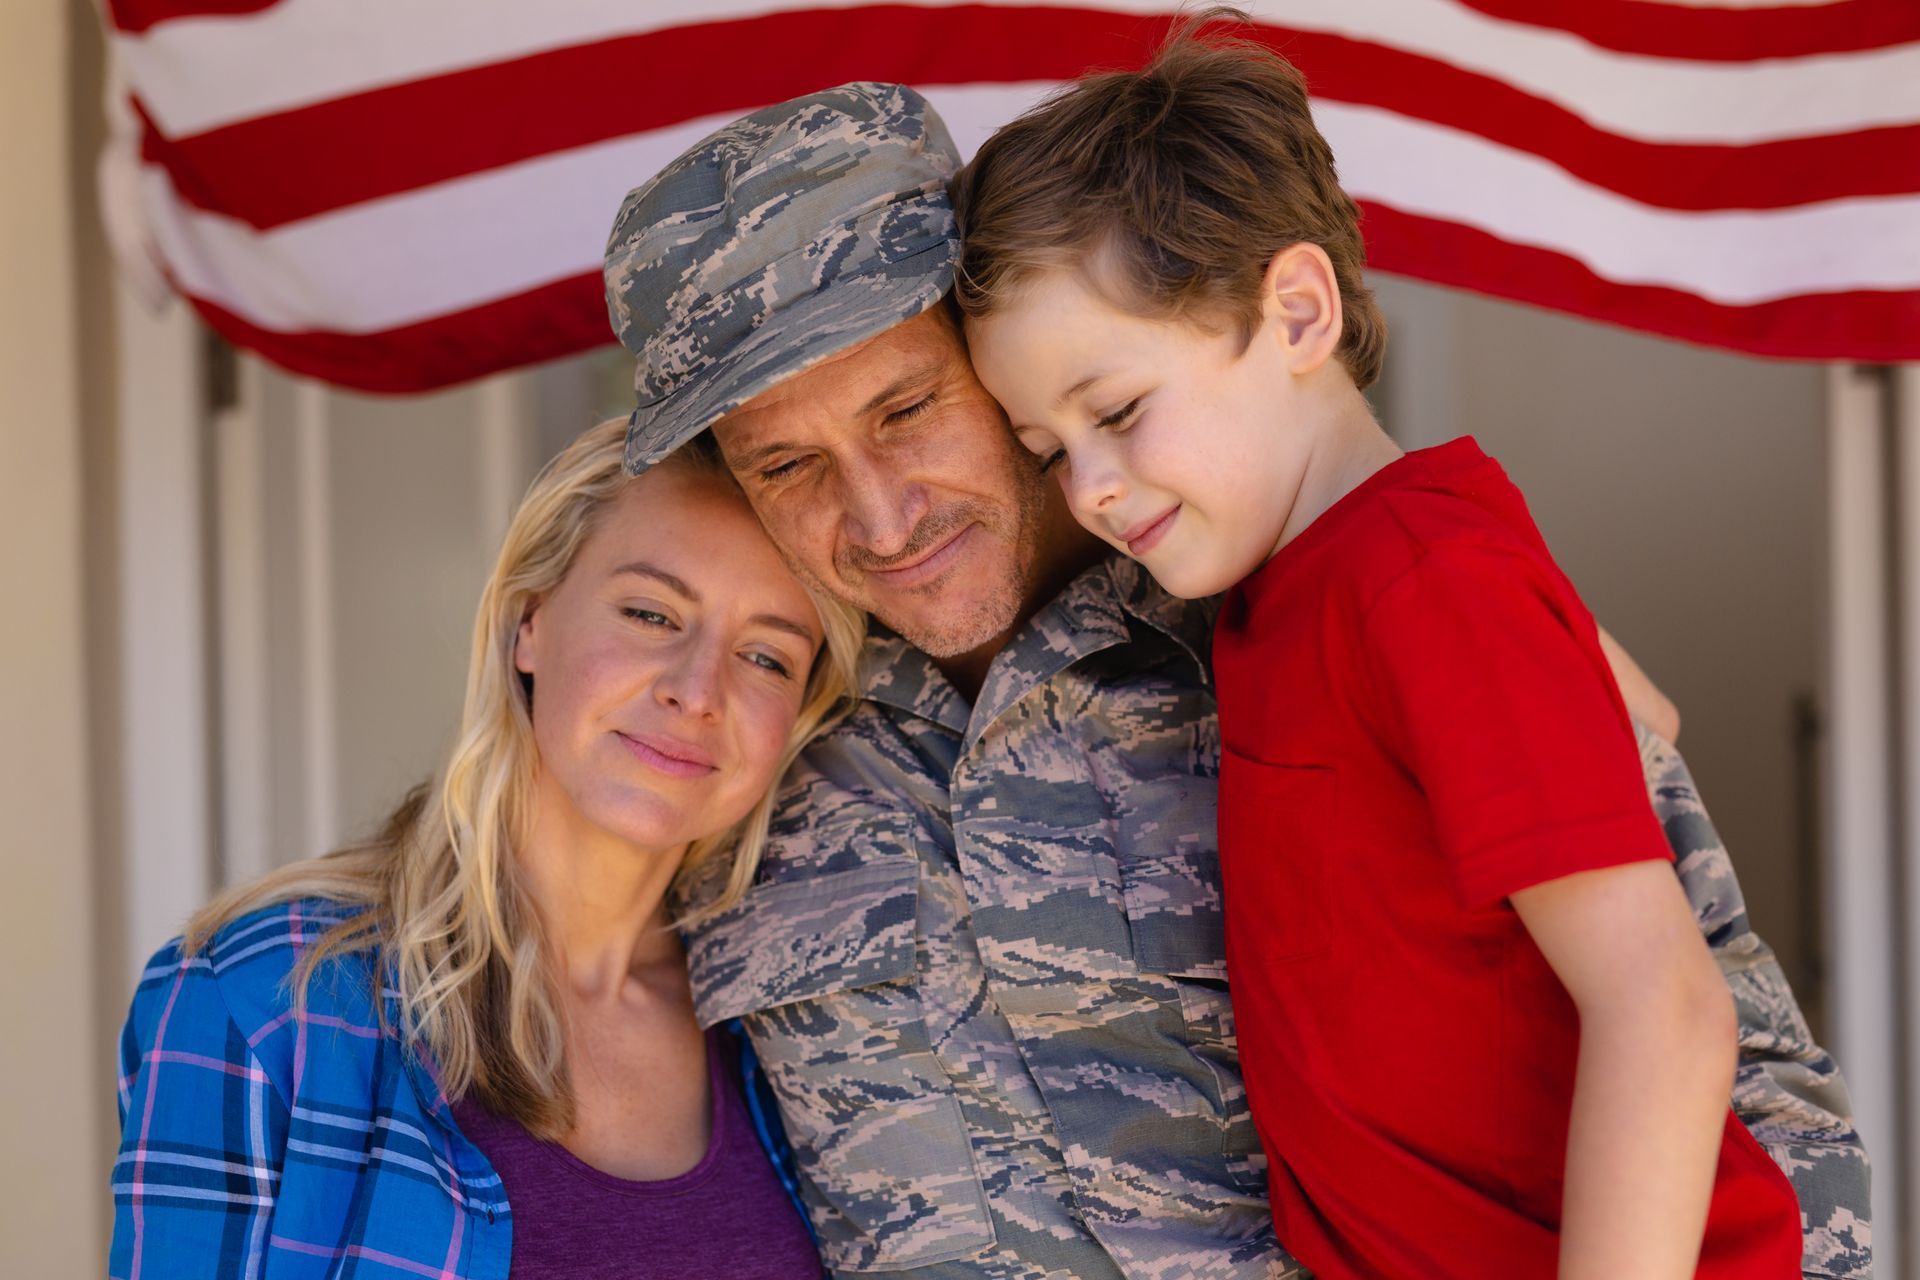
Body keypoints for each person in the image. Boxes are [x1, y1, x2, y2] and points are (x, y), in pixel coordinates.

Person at [600, 80, 1871, 1280]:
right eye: (784, 465)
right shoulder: (729, 727)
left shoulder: (1344, 594)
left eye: (906, 410)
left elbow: (1712, 1044)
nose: (877, 517)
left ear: (992, 352)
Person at [951, 22, 1811, 1280]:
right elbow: (1642, 714)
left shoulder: (1419, 576)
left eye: (1120, 410)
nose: (1090, 486)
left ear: (1296, 309)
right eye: (1047, 450)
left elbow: (1666, 1010)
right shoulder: (1296, 582)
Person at [109, 418, 862, 1279]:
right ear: (527, 623)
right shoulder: (261, 999)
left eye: (766, 657)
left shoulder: (789, 1022)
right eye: (652, 613)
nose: (698, 692)